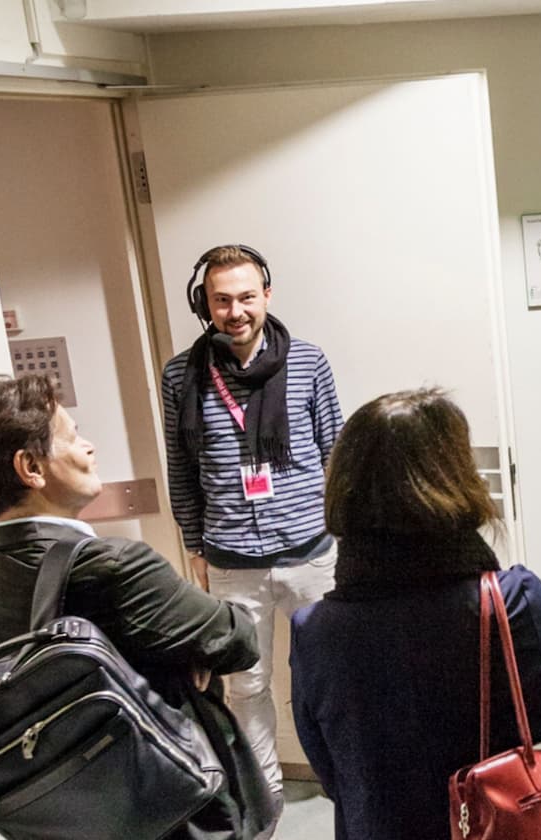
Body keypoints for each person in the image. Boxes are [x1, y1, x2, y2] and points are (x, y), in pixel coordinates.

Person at [0, 375, 272, 839]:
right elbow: (238, 638)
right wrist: (193, 650)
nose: (88, 447)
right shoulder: (113, 565)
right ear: (30, 467)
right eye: (71, 436)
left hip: (83, 805)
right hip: (172, 799)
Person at [290, 388, 541, 840]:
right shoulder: (513, 600)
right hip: (511, 823)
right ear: (454, 480)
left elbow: (332, 770)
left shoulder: (315, 630)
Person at [160, 243, 344, 810]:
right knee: (247, 686)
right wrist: (194, 546)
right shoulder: (180, 377)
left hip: (311, 553)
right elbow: (182, 471)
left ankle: (348, 782)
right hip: (231, 560)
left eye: (245, 296)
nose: (235, 311)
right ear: (204, 304)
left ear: (266, 294)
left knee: (333, 678)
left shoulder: (307, 362)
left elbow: (337, 454)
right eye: (221, 300)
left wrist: (349, 537)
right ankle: (266, 795)